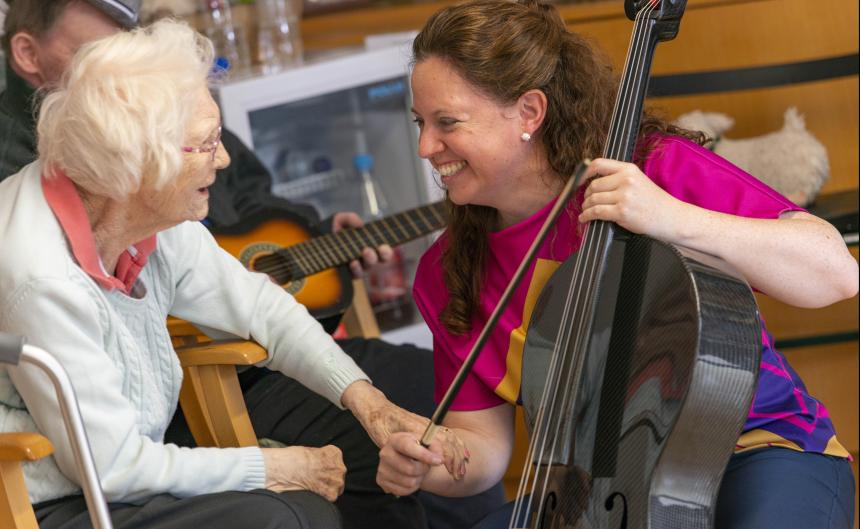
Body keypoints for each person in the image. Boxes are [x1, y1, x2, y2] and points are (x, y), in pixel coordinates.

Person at [0, 1, 506, 528]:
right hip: (50, 498)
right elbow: (113, 469)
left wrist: (368, 403)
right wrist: (275, 465)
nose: (221, 161)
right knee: (288, 515)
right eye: (208, 144)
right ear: (140, 163)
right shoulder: (40, 277)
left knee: (332, 479)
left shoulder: (139, 214)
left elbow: (261, 305)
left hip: (120, 467)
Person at [375, 1, 859, 528]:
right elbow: (483, 449)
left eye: (448, 122)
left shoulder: (650, 170)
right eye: (421, 122)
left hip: (756, 450)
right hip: (594, 493)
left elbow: (835, 272)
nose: (425, 147)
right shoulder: (446, 270)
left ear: (530, 113)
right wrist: (432, 462)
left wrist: (668, 215)